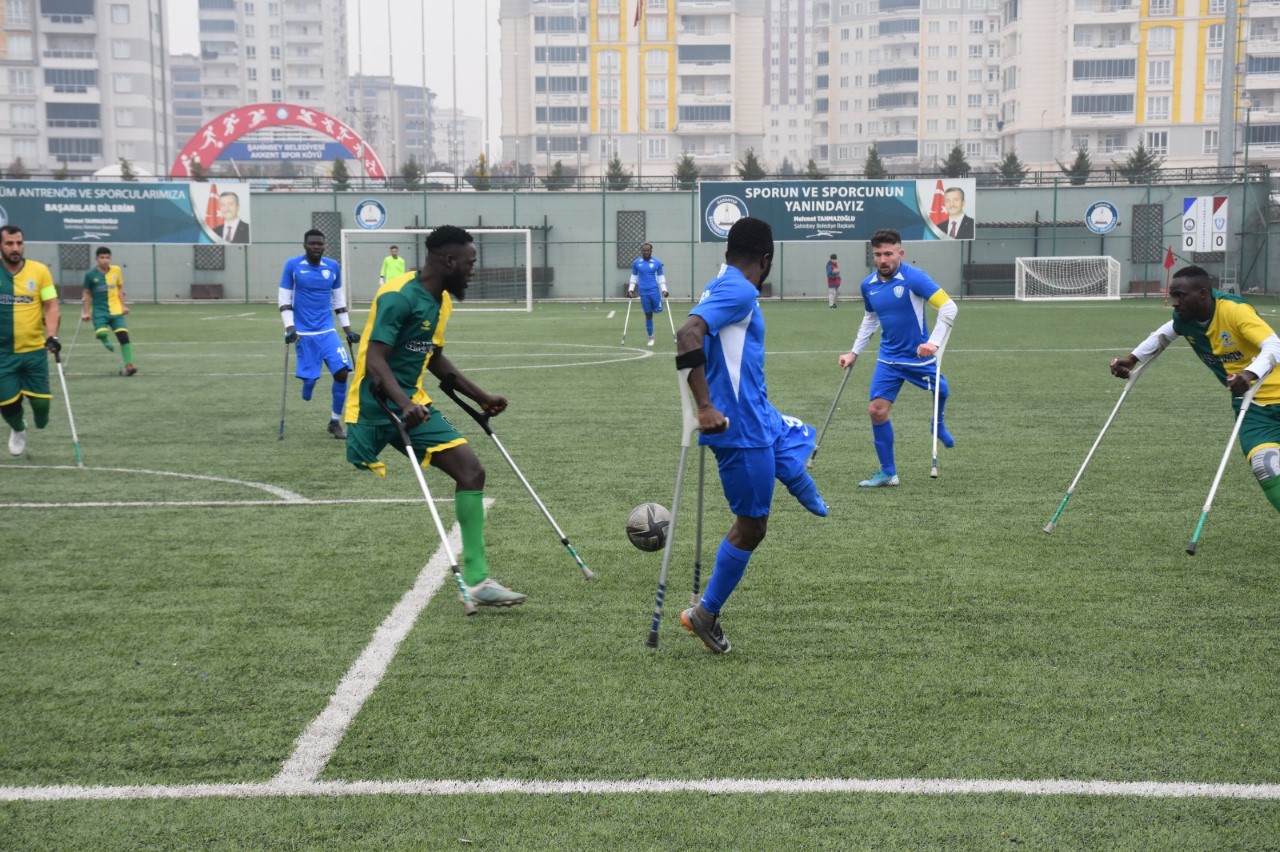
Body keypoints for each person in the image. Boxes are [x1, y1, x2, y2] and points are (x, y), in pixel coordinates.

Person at [345, 225, 527, 607]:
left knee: (471, 472)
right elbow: (375, 357)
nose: (473, 270)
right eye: (470, 263)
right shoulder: (397, 296)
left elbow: (435, 358)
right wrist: (403, 403)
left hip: (414, 404)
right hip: (375, 407)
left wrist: (481, 396)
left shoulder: (441, 301)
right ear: (449, 261)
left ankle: (477, 581)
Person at [674, 216, 828, 654]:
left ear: (728, 253)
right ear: (766, 259)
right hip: (740, 431)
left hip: (759, 417)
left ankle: (797, 478)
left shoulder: (721, 283)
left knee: (800, 436)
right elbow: (687, 334)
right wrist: (705, 407)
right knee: (752, 526)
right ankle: (705, 614)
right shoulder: (740, 290)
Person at [1110, 266, 1280, 513]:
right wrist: (1132, 358)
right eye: (1173, 296)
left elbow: (1274, 345)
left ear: (1202, 294)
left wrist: (1249, 374)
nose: (1174, 302)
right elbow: (1166, 332)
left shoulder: (1234, 310)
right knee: (1265, 464)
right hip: (1253, 408)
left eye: (1180, 296)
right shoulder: (1185, 318)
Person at [838, 228, 957, 487]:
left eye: (888, 254)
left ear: (900, 253)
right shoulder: (868, 285)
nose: (882, 260)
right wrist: (854, 352)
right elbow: (870, 319)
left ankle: (937, 424)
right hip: (888, 359)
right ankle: (888, 473)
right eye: (878, 254)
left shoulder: (915, 278)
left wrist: (933, 343)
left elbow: (949, 306)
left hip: (918, 356)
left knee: (942, 390)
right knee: (876, 411)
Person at [279, 229, 359, 439]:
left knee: (342, 373)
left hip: (327, 331)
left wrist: (348, 330)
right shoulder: (293, 266)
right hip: (303, 333)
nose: (316, 247)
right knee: (310, 381)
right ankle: (308, 383)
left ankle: (335, 422)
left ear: (324, 246)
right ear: (305, 245)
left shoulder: (332, 266)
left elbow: (338, 300)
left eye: (320, 244)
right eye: (312, 243)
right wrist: (290, 328)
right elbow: (284, 299)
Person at [1, 225, 61, 456]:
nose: (15, 248)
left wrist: (52, 335)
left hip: (34, 351)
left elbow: (51, 305)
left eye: (19, 243)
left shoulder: (39, 271)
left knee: (42, 411)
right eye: (9, 243)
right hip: (3, 353)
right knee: (7, 404)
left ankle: (37, 420)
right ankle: (18, 428)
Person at [81, 246, 137, 376]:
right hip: (100, 311)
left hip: (116, 310)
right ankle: (105, 340)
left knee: (124, 336)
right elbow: (86, 293)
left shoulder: (116, 270)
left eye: (107, 257)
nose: (105, 260)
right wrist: (86, 312)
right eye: (102, 257)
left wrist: (123, 306)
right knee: (101, 333)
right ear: (96, 259)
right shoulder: (90, 275)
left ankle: (129, 365)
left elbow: (120, 288)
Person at [628, 242, 668, 347]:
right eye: (644, 251)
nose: (646, 252)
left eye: (648, 250)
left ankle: (656, 307)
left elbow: (660, 277)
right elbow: (634, 277)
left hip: (654, 291)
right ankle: (651, 337)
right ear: (641, 251)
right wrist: (630, 289)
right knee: (648, 315)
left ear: (651, 251)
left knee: (658, 310)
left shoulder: (657, 262)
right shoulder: (636, 263)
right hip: (643, 292)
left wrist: (664, 290)